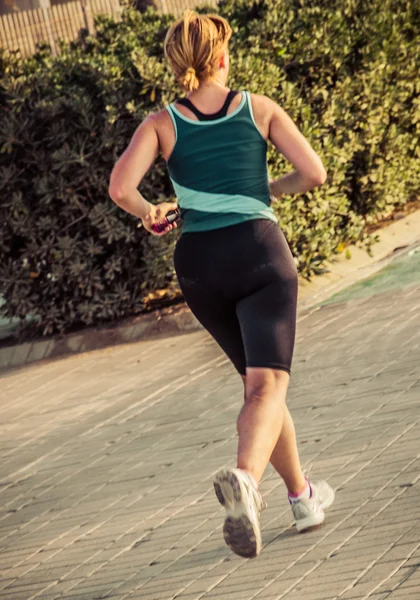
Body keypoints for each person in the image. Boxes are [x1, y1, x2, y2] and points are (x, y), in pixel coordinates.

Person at [109, 10, 334, 559]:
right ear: (223, 59)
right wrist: (266, 190)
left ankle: (303, 498)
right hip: (258, 252)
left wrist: (151, 212)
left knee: (260, 390)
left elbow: (120, 188)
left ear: (176, 65)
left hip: (200, 264)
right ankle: (247, 482)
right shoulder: (259, 108)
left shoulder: (161, 124)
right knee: (267, 389)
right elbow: (315, 173)